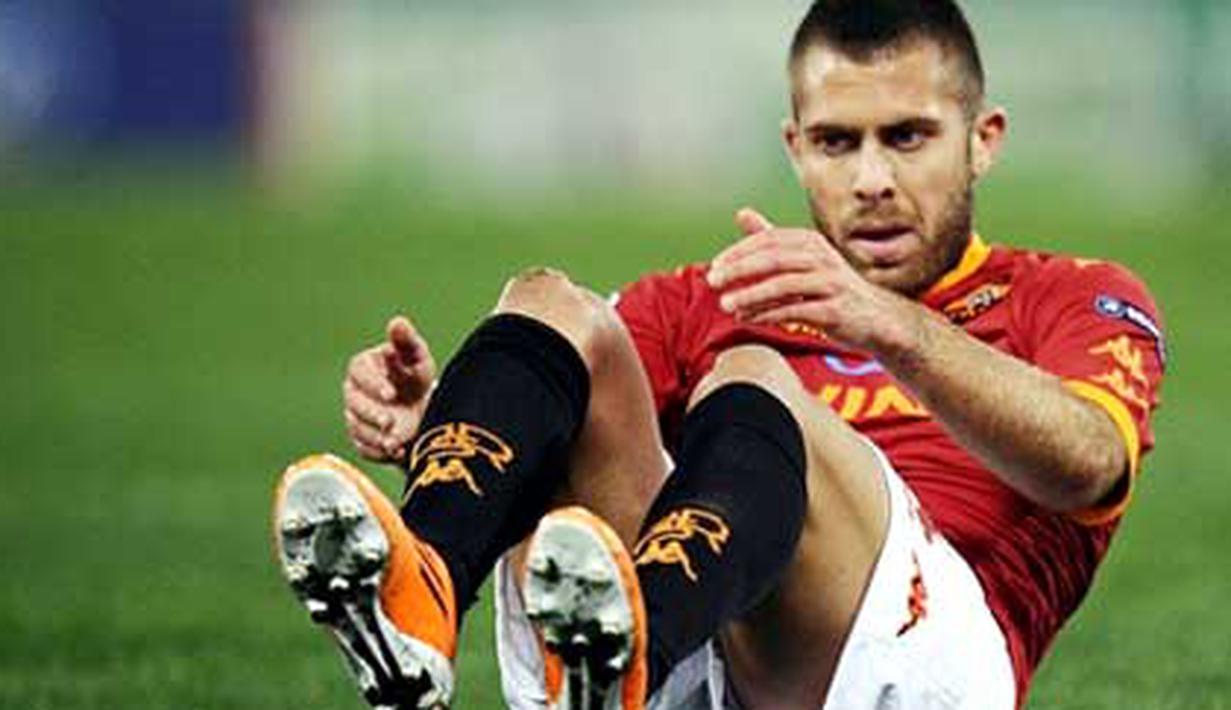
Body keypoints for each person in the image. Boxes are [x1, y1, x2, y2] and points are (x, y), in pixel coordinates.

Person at [271, 1, 1166, 707]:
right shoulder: (719, 292)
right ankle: (421, 589)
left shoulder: (1066, 294)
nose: (870, 180)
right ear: (794, 148)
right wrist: (452, 422)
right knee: (547, 305)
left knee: (750, 377)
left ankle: (624, 652)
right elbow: (569, 413)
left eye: (907, 136)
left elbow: (1088, 464)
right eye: (834, 142)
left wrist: (889, 325)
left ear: (982, 140)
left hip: (927, 668)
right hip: (712, 646)